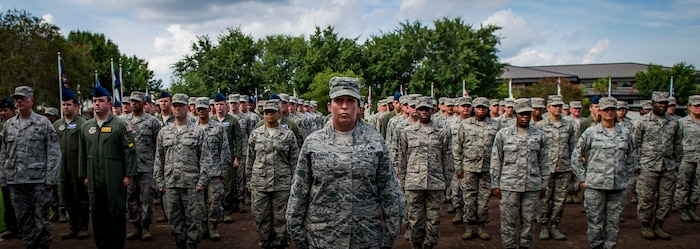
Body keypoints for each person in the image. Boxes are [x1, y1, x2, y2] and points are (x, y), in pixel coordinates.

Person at [286, 77, 404, 249]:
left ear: (358, 107)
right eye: (338, 100)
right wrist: (298, 238)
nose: (344, 106)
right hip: (323, 239)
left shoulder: (375, 142)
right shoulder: (313, 143)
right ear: (329, 106)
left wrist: (390, 237)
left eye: (350, 101)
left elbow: (390, 192)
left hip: (365, 238)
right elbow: (298, 193)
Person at [0, 86, 61, 249]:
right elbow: (4, 153)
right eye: (16, 99)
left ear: (31, 101)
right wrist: (3, 178)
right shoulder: (9, 125)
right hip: (16, 181)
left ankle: (42, 245)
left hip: (38, 181)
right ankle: (30, 243)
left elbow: (54, 152)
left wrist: (51, 178)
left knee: (41, 217)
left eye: (22, 98)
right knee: (22, 218)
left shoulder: (43, 123)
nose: (18, 101)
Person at [572, 97, 637, 249]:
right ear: (599, 111)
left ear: (616, 111)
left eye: (612, 109)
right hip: (595, 186)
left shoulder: (625, 133)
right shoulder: (591, 132)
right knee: (595, 223)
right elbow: (576, 155)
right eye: (605, 109)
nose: (609, 112)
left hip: (617, 187)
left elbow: (632, 157)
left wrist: (625, 177)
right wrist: (582, 178)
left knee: (613, 223)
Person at [78, 85, 137, 249]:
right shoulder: (86, 128)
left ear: (110, 103)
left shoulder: (120, 125)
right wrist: (84, 174)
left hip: (114, 176)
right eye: (95, 101)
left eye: (101, 101)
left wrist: (129, 174)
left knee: (115, 212)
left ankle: (117, 244)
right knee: (97, 213)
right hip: (93, 177)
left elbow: (129, 150)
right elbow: (82, 153)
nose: (97, 104)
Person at [154, 93, 213, 249]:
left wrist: (202, 182)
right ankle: (179, 244)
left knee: (194, 219)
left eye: (181, 105)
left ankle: (192, 245)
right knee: (174, 219)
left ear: (188, 107)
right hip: (171, 185)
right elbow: (159, 159)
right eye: (175, 105)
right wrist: (159, 182)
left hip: (192, 185)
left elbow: (206, 159)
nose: (177, 108)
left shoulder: (197, 132)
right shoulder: (164, 132)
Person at [491, 98, 549, 249]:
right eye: (522, 114)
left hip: (532, 186)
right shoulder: (503, 134)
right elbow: (496, 160)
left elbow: (544, 162)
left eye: (527, 114)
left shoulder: (540, 135)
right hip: (509, 186)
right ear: (515, 114)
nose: (525, 117)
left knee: (529, 222)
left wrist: (544, 184)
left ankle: (524, 246)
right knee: (508, 221)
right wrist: (495, 184)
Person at [398, 96, 452, 249]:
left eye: (426, 109)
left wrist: (447, 184)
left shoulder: (442, 132)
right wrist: (402, 183)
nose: (423, 112)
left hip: (435, 183)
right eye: (420, 109)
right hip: (413, 183)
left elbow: (447, 159)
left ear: (432, 110)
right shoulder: (407, 132)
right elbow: (402, 159)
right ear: (415, 110)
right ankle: (416, 245)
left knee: (434, 220)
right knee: (414, 220)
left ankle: (429, 245)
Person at [246, 99, 299, 249]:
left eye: (272, 112)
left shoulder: (288, 135)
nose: (269, 115)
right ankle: (265, 243)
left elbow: (294, 161)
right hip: (259, 184)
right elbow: (250, 159)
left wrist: (296, 183)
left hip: (282, 184)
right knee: (261, 217)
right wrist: (248, 182)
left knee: (281, 219)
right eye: (266, 112)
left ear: (278, 113)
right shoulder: (256, 134)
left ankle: (280, 244)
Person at [633, 91, 681, 240]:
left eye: (665, 103)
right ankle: (646, 225)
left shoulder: (674, 122)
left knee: (666, 198)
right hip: (648, 166)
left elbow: (678, 144)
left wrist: (676, 163)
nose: (663, 106)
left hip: (668, 166)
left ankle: (659, 224)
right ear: (652, 103)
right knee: (646, 198)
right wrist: (637, 164)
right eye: (660, 103)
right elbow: (635, 145)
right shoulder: (641, 122)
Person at [453, 97, 500, 240]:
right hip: (469, 168)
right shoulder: (465, 125)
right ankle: (469, 226)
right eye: (478, 107)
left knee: (484, 200)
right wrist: (458, 167)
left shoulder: (495, 126)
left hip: (487, 169)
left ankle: (481, 226)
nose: (481, 110)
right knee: (469, 199)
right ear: (474, 109)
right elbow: (457, 147)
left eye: (483, 108)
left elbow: (499, 149)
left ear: (487, 109)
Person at [535, 95, 576, 241]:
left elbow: (573, 147)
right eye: (555, 106)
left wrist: (573, 166)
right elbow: (536, 149)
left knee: (560, 199)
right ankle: (544, 226)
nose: (558, 108)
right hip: (546, 169)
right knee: (544, 199)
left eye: (560, 105)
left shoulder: (569, 125)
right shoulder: (540, 126)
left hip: (564, 168)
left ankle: (555, 225)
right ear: (548, 108)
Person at [123, 91, 162, 241]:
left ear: (144, 104)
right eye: (132, 101)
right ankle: (135, 226)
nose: (133, 104)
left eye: (137, 101)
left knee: (147, 199)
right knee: (131, 199)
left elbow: (158, 145)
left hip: (147, 167)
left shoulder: (152, 122)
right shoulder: (123, 121)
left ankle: (146, 226)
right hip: (130, 168)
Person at [54, 89, 90, 240]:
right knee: (67, 197)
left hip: (78, 167)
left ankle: (83, 227)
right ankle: (72, 226)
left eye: (68, 104)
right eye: (63, 105)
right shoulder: (57, 125)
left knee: (80, 197)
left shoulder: (84, 124)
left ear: (76, 106)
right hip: (63, 168)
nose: (65, 107)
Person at [194, 97, 230, 241]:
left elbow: (225, 149)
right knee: (199, 203)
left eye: (204, 108)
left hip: (215, 171)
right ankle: (203, 226)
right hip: (197, 172)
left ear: (210, 109)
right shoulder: (191, 128)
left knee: (215, 201)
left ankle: (213, 226)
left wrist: (224, 170)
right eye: (199, 109)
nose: (201, 111)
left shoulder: (218, 128)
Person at [212, 93, 243, 224]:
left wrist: (237, 157)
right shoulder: (211, 121)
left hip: (228, 157)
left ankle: (227, 211)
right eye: (217, 104)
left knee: (229, 185)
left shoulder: (232, 121)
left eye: (221, 104)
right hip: (213, 158)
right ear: (214, 106)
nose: (219, 107)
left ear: (226, 105)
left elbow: (239, 139)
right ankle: (216, 211)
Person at [676, 95, 700, 222]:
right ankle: (683, 209)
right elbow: (676, 141)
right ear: (689, 107)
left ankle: (692, 208)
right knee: (683, 185)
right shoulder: (682, 123)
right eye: (695, 106)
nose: (698, 108)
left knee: (697, 186)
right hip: (686, 158)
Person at [0, 98, 19, 240]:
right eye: (1, 111)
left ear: (13, 110)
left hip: (20, 170)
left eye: (6, 110)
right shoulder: (2, 128)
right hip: (5, 169)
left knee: (20, 202)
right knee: (7, 200)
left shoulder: (18, 126)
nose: (3, 113)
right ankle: (12, 227)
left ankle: (24, 228)